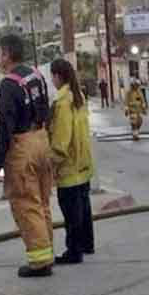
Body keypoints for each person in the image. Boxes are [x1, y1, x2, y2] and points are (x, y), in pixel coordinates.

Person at [0, 34, 55, 278]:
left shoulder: (9, 84)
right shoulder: (36, 75)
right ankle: (47, 251)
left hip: (22, 147)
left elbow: (5, 126)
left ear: (6, 54)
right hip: (41, 139)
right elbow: (45, 109)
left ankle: (40, 262)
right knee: (42, 203)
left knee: (27, 205)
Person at [48, 59, 96, 265]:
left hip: (69, 166)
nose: (52, 80)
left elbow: (61, 139)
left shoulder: (62, 103)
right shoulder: (78, 97)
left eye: (52, 76)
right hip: (83, 163)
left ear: (58, 76)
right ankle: (87, 243)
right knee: (83, 207)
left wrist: (53, 163)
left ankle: (74, 251)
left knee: (71, 211)